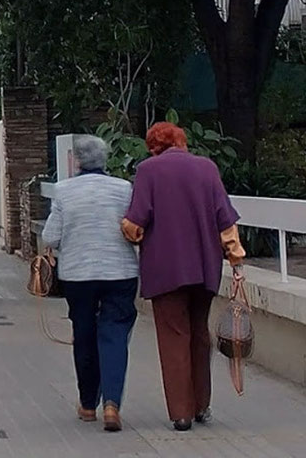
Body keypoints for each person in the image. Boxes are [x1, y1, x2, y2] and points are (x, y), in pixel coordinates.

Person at [121, 122, 245, 432]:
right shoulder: (207, 168)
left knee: (174, 336)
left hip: (166, 269)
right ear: (182, 141)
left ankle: (181, 413)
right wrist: (236, 258)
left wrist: (125, 230)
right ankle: (202, 406)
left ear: (153, 146)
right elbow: (225, 221)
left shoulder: (149, 171)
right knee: (199, 334)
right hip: (204, 267)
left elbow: (136, 224)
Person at [42, 135, 139, 432]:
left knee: (83, 335)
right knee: (114, 334)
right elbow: (134, 228)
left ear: (77, 161)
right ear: (105, 159)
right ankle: (112, 403)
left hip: (78, 276)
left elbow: (50, 237)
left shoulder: (64, 191)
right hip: (119, 272)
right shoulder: (124, 189)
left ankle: (87, 404)